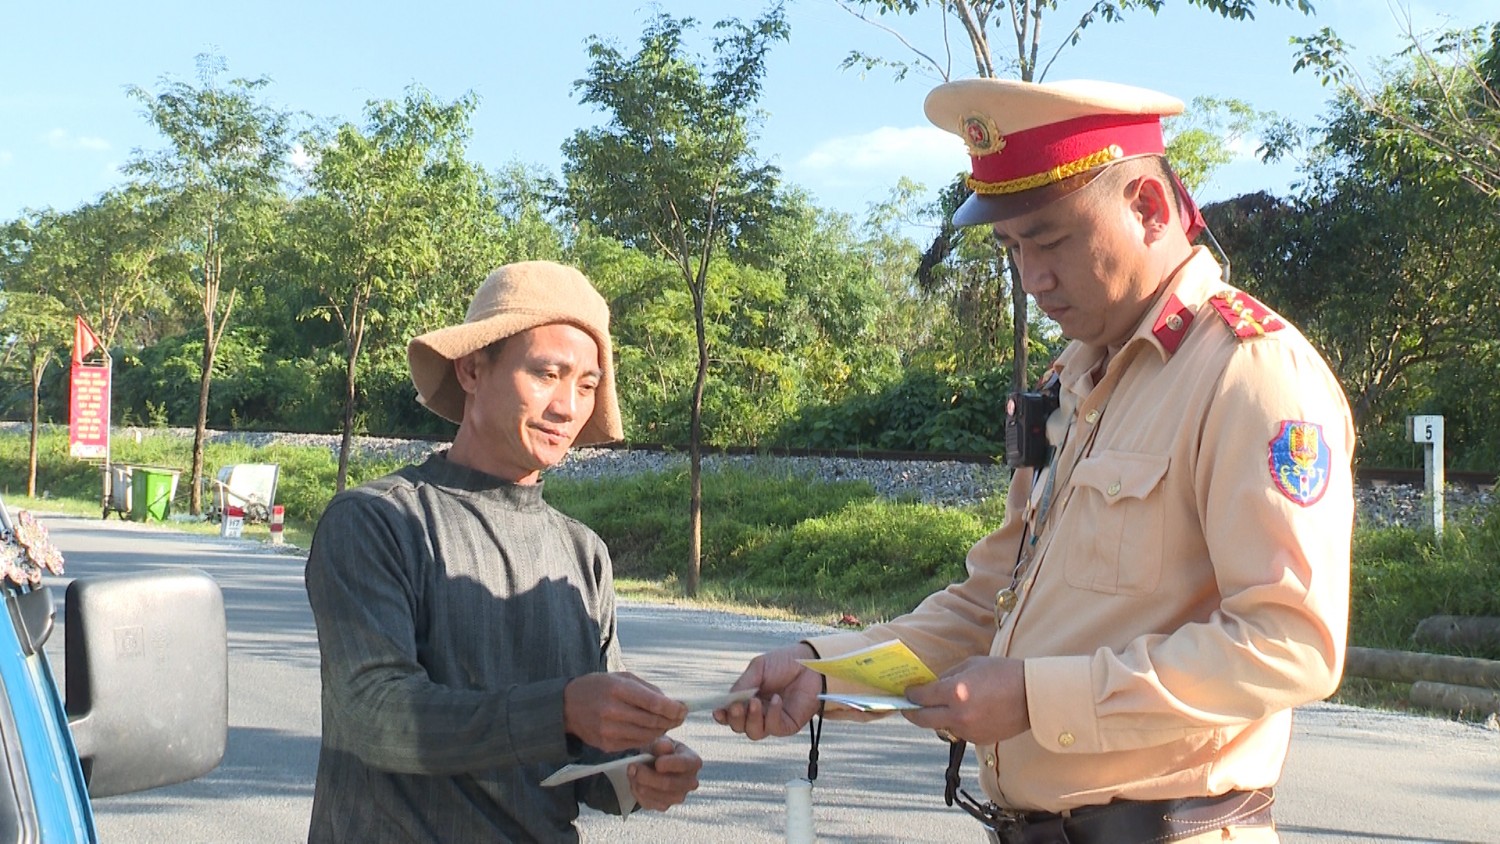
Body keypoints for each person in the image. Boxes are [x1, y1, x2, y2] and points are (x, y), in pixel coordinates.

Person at [716, 79, 1354, 844]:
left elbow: (1289, 644)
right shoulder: (1075, 381)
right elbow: (990, 602)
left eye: (1051, 241)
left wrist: (1036, 699)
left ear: (1149, 207)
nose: (1033, 278)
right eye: (1013, 248)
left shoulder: (1247, 372)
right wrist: (825, 669)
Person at [305, 260, 702, 842]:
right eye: (547, 373)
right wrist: (561, 709)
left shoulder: (583, 554)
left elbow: (588, 759)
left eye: (586, 385)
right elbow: (374, 715)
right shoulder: (378, 521)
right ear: (471, 368)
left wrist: (641, 772)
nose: (567, 407)